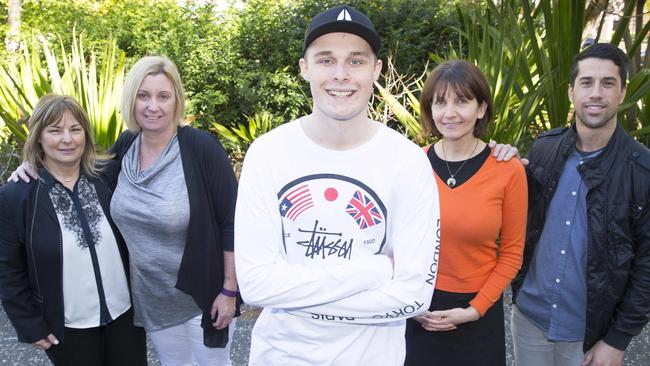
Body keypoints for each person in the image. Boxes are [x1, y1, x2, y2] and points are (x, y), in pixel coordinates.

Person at [234, 5, 439, 366]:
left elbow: (414, 296)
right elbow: (256, 286)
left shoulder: (407, 161)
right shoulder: (267, 154)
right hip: (282, 357)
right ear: (304, 68)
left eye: (356, 61)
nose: (341, 75)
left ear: (376, 69)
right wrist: (373, 271)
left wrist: (295, 296)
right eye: (326, 60)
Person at [10, 56, 241, 366]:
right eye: (143, 95)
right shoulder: (126, 146)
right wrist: (32, 164)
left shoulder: (201, 149)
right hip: (153, 301)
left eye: (163, 96)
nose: (153, 106)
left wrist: (229, 291)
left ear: (177, 101)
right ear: (131, 100)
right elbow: (79, 164)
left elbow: (232, 223)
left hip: (203, 296)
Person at [511, 43, 650, 366]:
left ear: (622, 91)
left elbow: (647, 264)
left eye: (608, 83)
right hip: (530, 321)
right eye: (587, 83)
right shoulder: (544, 149)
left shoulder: (641, 170)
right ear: (573, 90)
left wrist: (616, 340)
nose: (596, 93)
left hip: (591, 336)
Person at [0, 95, 147, 365]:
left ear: (86, 135)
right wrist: (30, 324)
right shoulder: (16, 197)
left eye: (75, 129)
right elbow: (9, 271)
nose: (67, 139)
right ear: (39, 138)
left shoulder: (108, 176)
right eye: (55, 130)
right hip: (68, 329)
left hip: (126, 319)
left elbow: (143, 132)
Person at [404, 60, 527, 365]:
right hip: (419, 310)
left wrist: (474, 309)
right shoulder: (412, 165)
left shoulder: (507, 170)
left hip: (477, 315)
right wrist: (411, 304)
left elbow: (512, 254)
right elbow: (393, 244)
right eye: (440, 102)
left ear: (482, 108)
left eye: (462, 100)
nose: (450, 112)